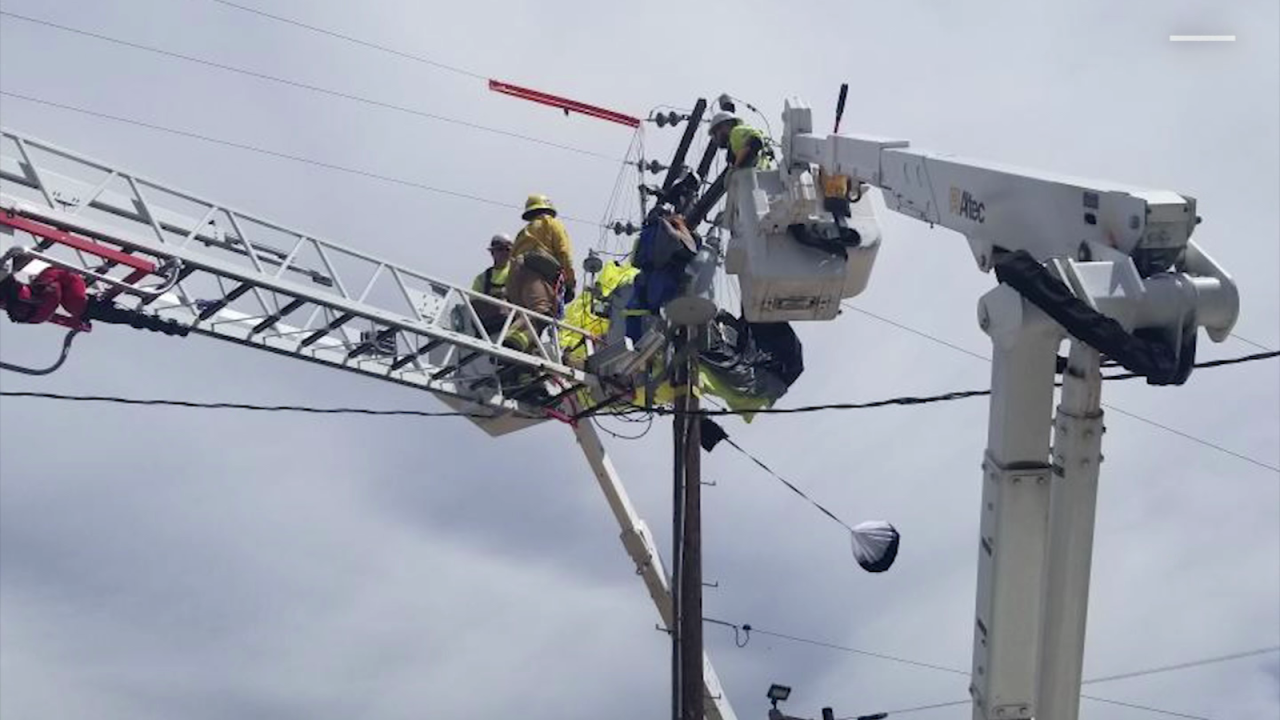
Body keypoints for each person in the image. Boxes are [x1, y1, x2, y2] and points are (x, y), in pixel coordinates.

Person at [505, 194, 576, 344]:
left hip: (515, 281)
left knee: (524, 316)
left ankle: (523, 353)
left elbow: (513, 259)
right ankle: (511, 342)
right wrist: (570, 282)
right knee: (542, 314)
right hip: (536, 274)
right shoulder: (551, 223)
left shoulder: (523, 233)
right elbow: (564, 253)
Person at [470, 233, 512, 335]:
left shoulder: (517, 272)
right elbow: (474, 304)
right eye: (500, 249)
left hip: (511, 324)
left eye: (508, 250)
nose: (504, 253)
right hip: (488, 327)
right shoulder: (482, 278)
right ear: (492, 252)